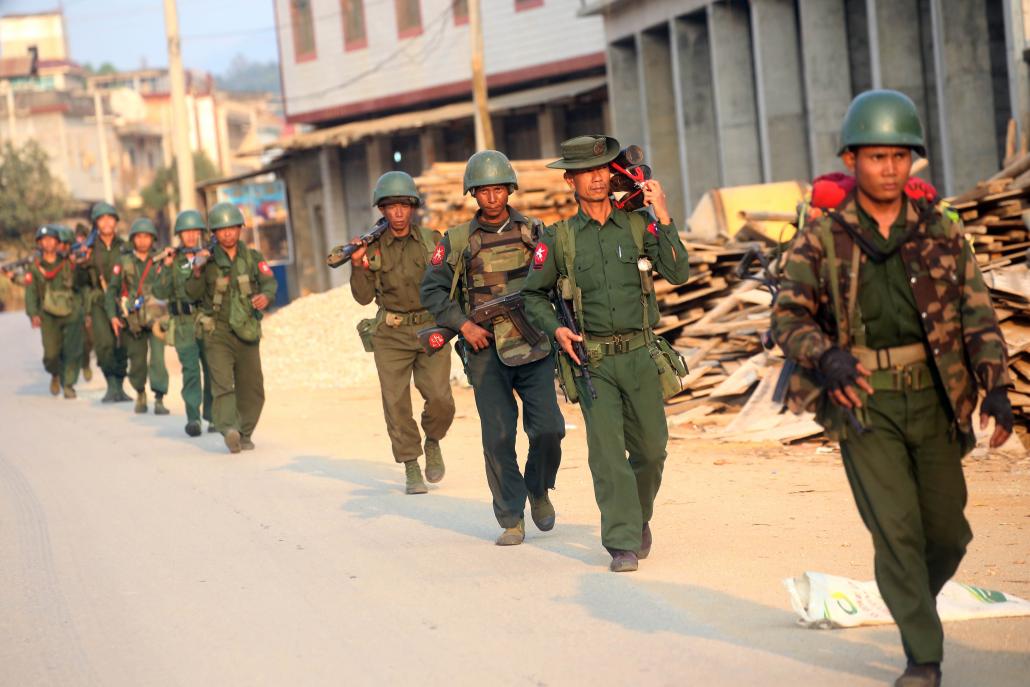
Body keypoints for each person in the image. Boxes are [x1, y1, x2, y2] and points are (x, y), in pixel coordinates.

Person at [771, 89, 1013, 687]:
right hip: (863, 403)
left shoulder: (943, 233)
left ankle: (907, 599)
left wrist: (997, 388)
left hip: (936, 399)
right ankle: (923, 657)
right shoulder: (822, 238)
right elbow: (786, 317)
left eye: (899, 157)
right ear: (852, 160)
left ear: (913, 163)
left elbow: (976, 316)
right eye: (876, 156)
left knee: (949, 531)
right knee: (897, 529)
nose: (888, 168)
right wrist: (825, 357)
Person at [522, 135, 691, 571]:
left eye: (604, 170)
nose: (597, 179)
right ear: (571, 181)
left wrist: (662, 212)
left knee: (653, 450)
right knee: (608, 456)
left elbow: (678, 271)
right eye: (587, 173)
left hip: (640, 355)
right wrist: (556, 329)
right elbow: (532, 297)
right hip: (592, 361)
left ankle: (637, 517)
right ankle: (622, 541)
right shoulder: (559, 239)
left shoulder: (637, 226)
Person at [422, 151, 564, 544]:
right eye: (484, 191)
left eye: (499, 189)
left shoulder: (536, 232)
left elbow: (557, 277)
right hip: (485, 351)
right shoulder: (457, 240)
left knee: (550, 429)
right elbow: (431, 289)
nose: (492, 197)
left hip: (534, 344)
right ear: (473, 194)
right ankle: (511, 517)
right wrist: (464, 325)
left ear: (509, 190)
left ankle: (538, 488)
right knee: (499, 437)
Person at [350, 171, 455, 494]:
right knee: (396, 402)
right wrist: (358, 266)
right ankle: (411, 463)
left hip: (429, 327)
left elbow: (448, 283)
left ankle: (433, 440)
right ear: (381, 210)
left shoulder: (431, 241)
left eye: (403, 205)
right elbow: (363, 298)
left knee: (440, 399)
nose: (397, 212)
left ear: (412, 207)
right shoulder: (372, 249)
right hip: (391, 332)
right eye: (390, 206)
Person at [185, 202, 277, 454]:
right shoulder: (206, 261)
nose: (227, 233)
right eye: (221, 229)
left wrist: (266, 297)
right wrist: (195, 270)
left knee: (253, 387)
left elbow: (269, 283)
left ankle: (245, 433)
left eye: (232, 228)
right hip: (218, 332)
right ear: (213, 233)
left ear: (240, 229)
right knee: (223, 384)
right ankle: (228, 429)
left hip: (246, 329)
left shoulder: (252, 258)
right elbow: (191, 294)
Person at [154, 209, 215, 437]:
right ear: (179, 234)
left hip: (206, 319)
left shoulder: (208, 255)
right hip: (182, 322)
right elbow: (159, 291)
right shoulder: (172, 259)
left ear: (200, 232)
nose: (190, 236)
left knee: (211, 368)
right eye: (185, 232)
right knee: (190, 370)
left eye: (194, 231)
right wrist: (167, 266)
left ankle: (213, 416)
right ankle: (193, 418)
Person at [106, 217, 170, 415]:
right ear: (133, 239)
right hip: (133, 320)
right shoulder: (124, 263)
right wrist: (112, 316)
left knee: (158, 359)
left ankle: (159, 398)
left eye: (147, 237)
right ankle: (140, 392)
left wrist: (168, 265)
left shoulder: (161, 259)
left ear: (153, 239)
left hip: (158, 318)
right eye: (139, 237)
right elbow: (112, 291)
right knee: (137, 360)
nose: (143, 241)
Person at [23, 224, 85, 398]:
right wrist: (33, 314)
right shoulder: (35, 267)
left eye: (52, 239)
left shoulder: (68, 262)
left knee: (72, 350)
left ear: (58, 243)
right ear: (39, 243)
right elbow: (31, 292)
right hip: (48, 314)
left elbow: (81, 283)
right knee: (51, 355)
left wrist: (77, 264)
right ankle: (55, 373)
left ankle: (69, 384)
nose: (48, 243)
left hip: (71, 311)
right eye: (44, 240)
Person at [83, 202, 131, 403]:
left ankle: (120, 386)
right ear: (96, 224)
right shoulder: (89, 249)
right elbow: (81, 280)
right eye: (101, 219)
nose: (106, 222)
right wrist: (83, 261)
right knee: (104, 344)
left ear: (116, 221)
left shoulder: (125, 246)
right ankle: (111, 384)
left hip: (122, 301)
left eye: (110, 218)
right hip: (99, 301)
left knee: (123, 344)